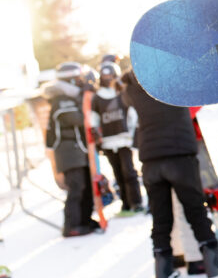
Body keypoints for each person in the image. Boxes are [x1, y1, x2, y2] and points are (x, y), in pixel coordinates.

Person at [121, 70, 218, 278]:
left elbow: (126, 102)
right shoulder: (179, 78)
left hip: (151, 159)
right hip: (180, 155)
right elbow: (198, 100)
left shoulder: (132, 87)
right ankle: (213, 264)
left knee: (160, 218)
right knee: (195, 210)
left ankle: (163, 272)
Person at [43, 62, 98, 237]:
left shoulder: (72, 97)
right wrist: (83, 95)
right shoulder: (61, 99)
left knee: (87, 187)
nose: (82, 82)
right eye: (79, 79)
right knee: (77, 187)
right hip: (68, 152)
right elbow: (77, 119)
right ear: (71, 80)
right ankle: (71, 226)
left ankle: (85, 220)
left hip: (79, 150)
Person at [91, 60, 144, 215]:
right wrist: (96, 134)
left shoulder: (122, 93)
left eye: (110, 76)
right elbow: (94, 118)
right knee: (118, 174)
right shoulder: (97, 97)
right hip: (108, 141)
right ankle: (125, 203)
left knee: (129, 172)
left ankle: (136, 202)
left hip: (124, 139)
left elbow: (132, 114)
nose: (108, 79)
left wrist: (131, 134)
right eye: (105, 76)